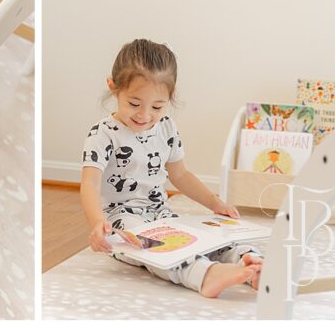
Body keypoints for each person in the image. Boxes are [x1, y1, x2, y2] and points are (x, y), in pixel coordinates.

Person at [80, 39, 263, 298]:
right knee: (158, 250)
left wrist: (214, 203)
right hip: (121, 220)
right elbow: (90, 184)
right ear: (113, 88)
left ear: (170, 97)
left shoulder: (165, 127)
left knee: (203, 237)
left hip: (160, 211)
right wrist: (98, 223)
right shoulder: (103, 135)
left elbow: (180, 174)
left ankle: (252, 263)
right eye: (134, 104)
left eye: (157, 106)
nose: (145, 115)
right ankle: (206, 275)